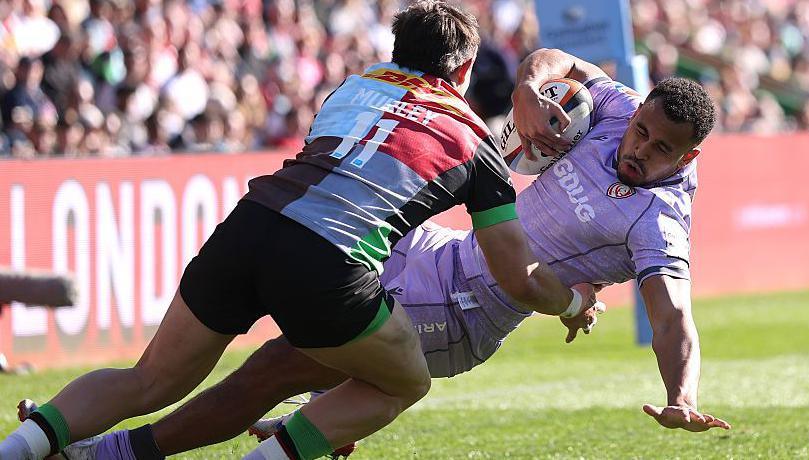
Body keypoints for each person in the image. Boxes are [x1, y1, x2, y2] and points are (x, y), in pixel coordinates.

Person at [26, 48, 731, 460]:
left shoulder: (659, 221)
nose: (638, 148)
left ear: (688, 157)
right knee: (300, 288)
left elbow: (673, 317)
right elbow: (555, 62)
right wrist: (527, 89)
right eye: (641, 132)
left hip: (465, 309)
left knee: (273, 366)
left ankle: (106, 452)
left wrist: (682, 396)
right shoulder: (616, 107)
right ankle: (317, 422)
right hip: (437, 252)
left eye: (659, 148)